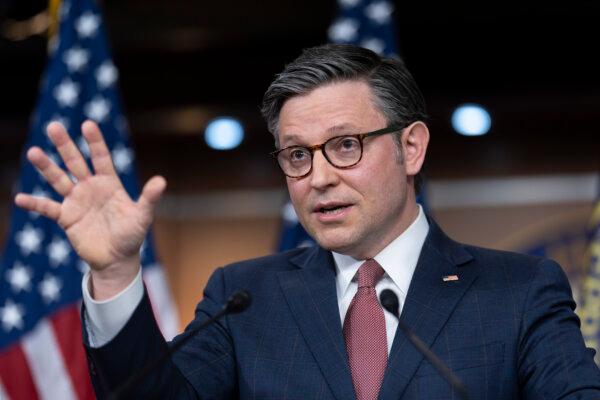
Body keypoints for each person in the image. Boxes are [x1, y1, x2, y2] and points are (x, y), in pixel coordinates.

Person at [15, 44, 600, 399]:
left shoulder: (520, 292)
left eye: (345, 145)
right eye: (298, 155)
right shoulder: (245, 297)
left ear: (411, 148)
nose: (318, 177)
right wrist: (117, 273)